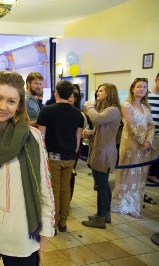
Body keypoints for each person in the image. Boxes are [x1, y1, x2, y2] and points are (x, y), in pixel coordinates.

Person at [0, 71, 55, 266]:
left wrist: (45, 236)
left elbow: (45, 188)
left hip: (21, 236)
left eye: (11, 101)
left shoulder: (32, 138)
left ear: (19, 106)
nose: (2, 106)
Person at [37, 80, 84, 234]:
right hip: (70, 156)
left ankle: (54, 222)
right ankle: (63, 222)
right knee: (65, 189)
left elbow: (41, 137)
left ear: (56, 92)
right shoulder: (78, 113)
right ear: (71, 95)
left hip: (53, 156)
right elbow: (78, 140)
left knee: (54, 189)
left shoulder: (47, 111)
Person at [111, 78, 155, 219]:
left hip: (144, 144)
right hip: (131, 142)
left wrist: (148, 140)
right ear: (133, 88)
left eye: (144, 87)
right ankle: (126, 203)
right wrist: (144, 141)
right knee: (130, 172)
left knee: (140, 173)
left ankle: (136, 201)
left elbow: (151, 125)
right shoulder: (127, 105)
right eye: (139, 86)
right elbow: (130, 125)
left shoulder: (146, 107)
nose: (141, 89)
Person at [81, 83, 121, 228]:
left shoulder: (113, 110)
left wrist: (89, 106)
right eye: (98, 90)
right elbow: (102, 128)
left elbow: (97, 119)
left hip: (104, 152)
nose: (98, 92)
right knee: (102, 185)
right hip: (101, 150)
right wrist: (91, 133)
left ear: (109, 93)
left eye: (101, 90)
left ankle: (100, 218)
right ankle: (105, 214)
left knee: (101, 186)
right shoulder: (106, 109)